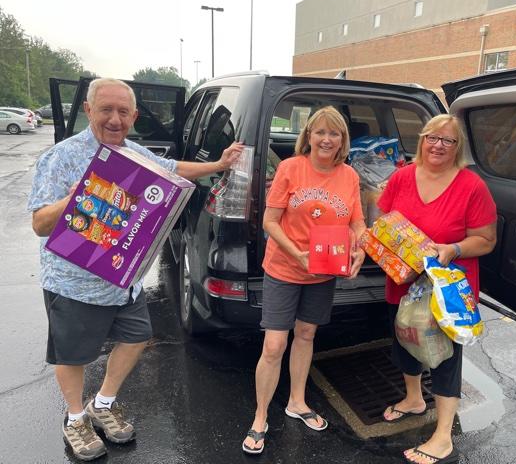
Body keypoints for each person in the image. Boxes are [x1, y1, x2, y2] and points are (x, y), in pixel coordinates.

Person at [27, 78, 244, 461]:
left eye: (123, 112)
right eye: (106, 110)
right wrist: (75, 198)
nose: (115, 119)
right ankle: (75, 419)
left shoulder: (132, 153)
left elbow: (172, 167)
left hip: (122, 279)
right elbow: (40, 224)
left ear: (134, 116)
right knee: (73, 356)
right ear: (88, 111)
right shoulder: (61, 157)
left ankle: (102, 404)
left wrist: (219, 164)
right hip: (74, 282)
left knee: (138, 337)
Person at [242, 106, 366, 454]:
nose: (326, 139)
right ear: (308, 135)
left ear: (342, 140)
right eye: (320, 132)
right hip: (284, 267)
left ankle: (297, 402)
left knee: (307, 334)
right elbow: (270, 222)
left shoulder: (349, 176)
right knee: (274, 345)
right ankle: (260, 416)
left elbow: (357, 223)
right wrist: (297, 255)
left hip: (324, 269)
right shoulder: (290, 168)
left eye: (334, 133)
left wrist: (360, 248)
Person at [377, 114, 497, 464]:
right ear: (422, 139)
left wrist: (453, 249)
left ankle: (443, 436)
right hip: (404, 282)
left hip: (446, 291)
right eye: (432, 137)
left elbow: (486, 240)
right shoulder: (402, 177)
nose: (438, 145)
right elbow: (383, 219)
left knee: (445, 359)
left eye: (448, 140)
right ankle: (414, 399)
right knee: (405, 339)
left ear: (458, 147)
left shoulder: (472, 186)